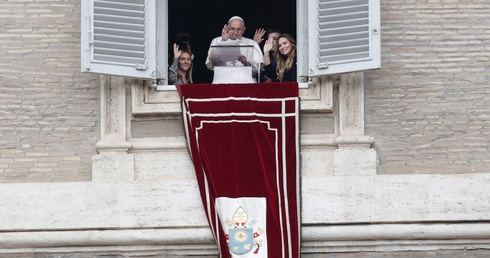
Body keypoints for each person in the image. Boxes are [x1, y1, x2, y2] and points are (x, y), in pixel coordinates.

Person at [205, 16, 264, 81]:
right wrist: (223, 41)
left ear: (243, 29)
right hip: (222, 80)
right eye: (232, 29)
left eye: (238, 29)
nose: (235, 32)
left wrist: (247, 63)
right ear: (227, 28)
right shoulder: (216, 41)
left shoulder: (252, 44)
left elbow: (258, 68)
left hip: (245, 82)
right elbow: (212, 62)